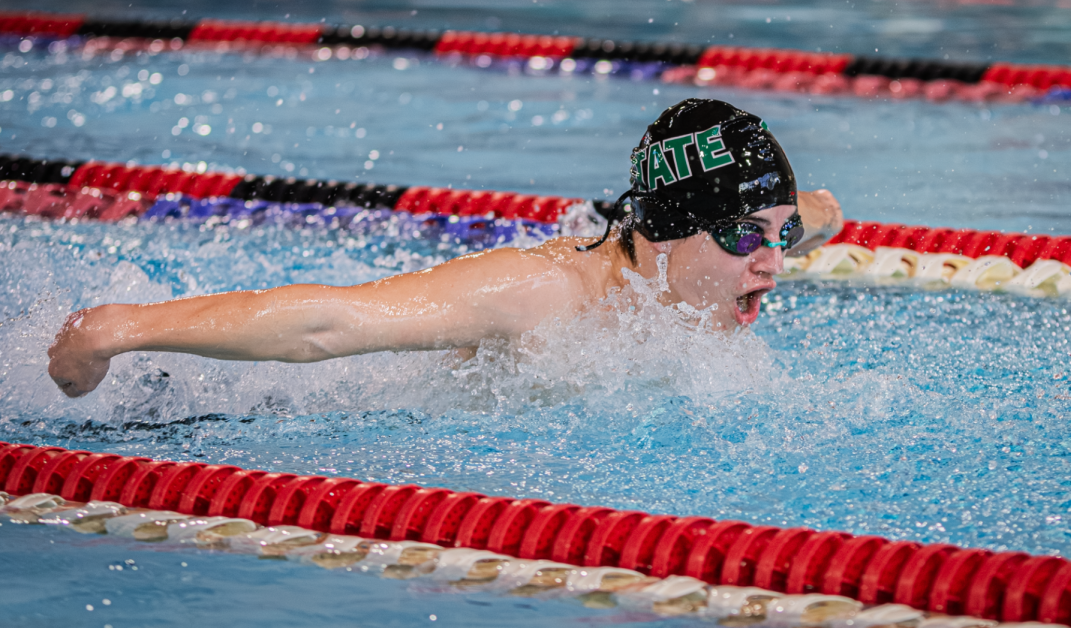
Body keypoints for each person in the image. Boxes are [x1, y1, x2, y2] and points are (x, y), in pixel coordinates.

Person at [48, 98, 843, 398]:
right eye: (746, 237)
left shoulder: (728, 246)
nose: (773, 260)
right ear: (664, 232)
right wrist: (119, 327)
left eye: (781, 235)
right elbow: (332, 324)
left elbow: (815, 213)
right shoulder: (544, 296)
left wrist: (807, 219)